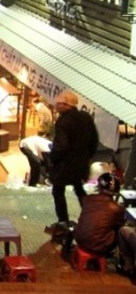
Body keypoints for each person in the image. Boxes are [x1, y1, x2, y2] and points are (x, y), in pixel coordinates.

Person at [47, 90, 99, 234]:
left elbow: (61, 146)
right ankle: (90, 217)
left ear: (67, 105)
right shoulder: (86, 117)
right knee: (79, 189)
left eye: (59, 104)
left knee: (58, 191)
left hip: (64, 165)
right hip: (81, 163)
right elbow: (94, 141)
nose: (56, 106)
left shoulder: (63, 121)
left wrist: (53, 158)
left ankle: (63, 221)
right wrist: (87, 157)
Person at [70, 173, 125, 262]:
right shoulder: (117, 209)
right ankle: (124, 261)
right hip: (98, 247)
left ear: (99, 186)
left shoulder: (88, 199)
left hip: (79, 240)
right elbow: (120, 224)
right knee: (122, 231)